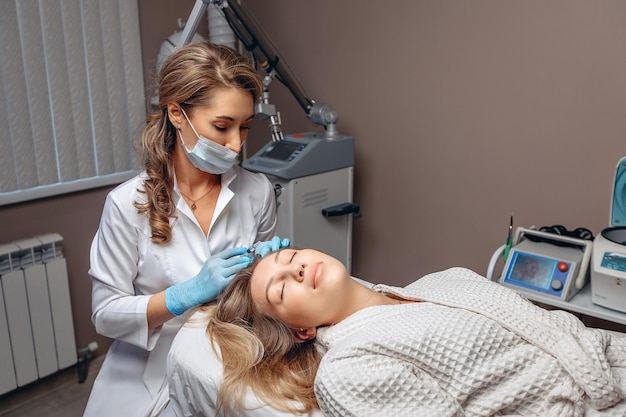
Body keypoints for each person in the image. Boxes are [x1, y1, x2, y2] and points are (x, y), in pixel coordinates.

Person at [168, 247, 626, 417]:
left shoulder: (443, 280)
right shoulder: (348, 370)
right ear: (302, 330)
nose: (297, 268)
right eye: (281, 288)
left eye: (291, 259)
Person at [84, 41, 289, 417]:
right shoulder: (127, 204)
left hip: (233, 354)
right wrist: (183, 295)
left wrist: (269, 269)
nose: (236, 145)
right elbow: (106, 314)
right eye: (222, 126)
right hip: (148, 368)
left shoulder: (257, 190)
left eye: (244, 127)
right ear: (177, 113)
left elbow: (260, 293)